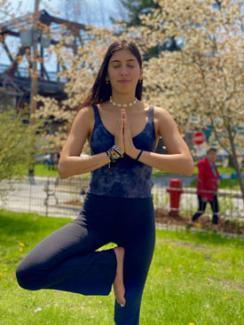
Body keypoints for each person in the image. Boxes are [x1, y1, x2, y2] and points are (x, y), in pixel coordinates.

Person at [16, 40, 194, 325]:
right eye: (116, 64)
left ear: (141, 71)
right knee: (29, 272)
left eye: (130, 64)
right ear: (107, 73)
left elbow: (186, 163)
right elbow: (64, 166)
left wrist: (135, 152)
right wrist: (111, 154)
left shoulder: (158, 116)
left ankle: (119, 267)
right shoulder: (90, 114)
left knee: (127, 312)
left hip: (138, 222)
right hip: (94, 217)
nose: (124, 71)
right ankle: (113, 262)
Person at [192, 147, 220, 225]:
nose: (214, 156)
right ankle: (192, 221)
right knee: (201, 210)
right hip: (204, 192)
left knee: (216, 210)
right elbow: (200, 180)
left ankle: (215, 226)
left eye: (215, 155)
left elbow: (216, 175)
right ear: (207, 155)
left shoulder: (214, 164)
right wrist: (203, 195)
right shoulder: (202, 164)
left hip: (212, 191)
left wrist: (218, 180)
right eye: (212, 154)